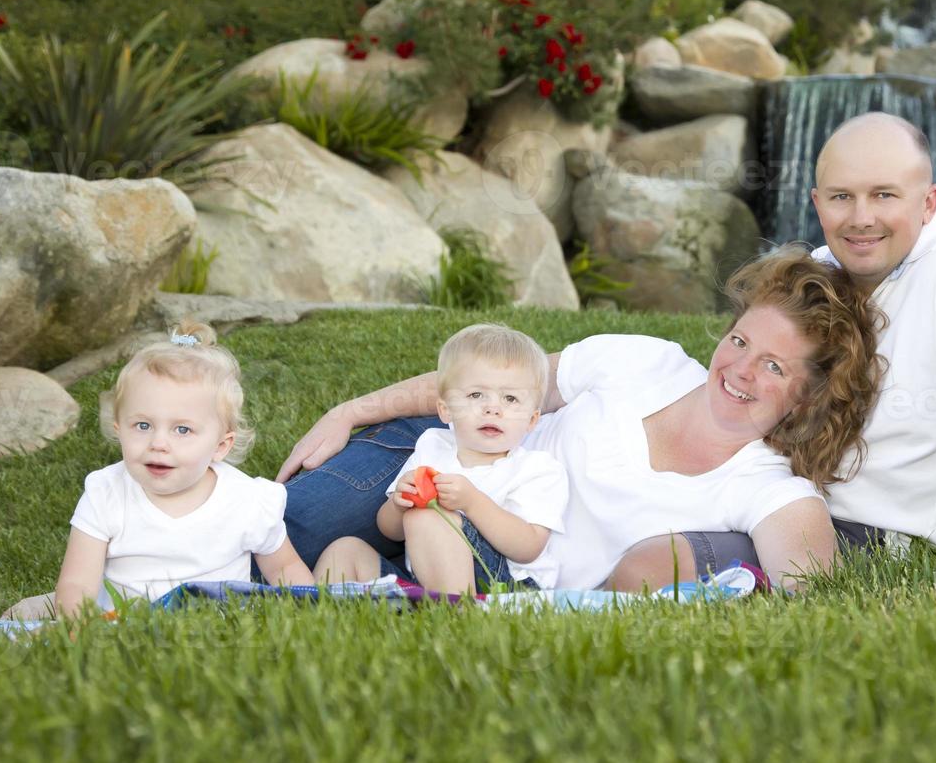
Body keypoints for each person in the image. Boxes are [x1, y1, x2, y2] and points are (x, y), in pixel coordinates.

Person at [611, 111, 936, 588]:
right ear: (817, 202)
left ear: (929, 201)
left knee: (656, 564)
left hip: (864, 540)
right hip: (753, 494)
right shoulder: (820, 271)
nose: (861, 218)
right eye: (841, 197)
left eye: (884, 195)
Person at [276, 247, 885, 591]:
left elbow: (815, 594)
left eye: (776, 367)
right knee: (278, 536)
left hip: (501, 572)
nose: (741, 370)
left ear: (808, 396)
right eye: (742, 341)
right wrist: (349, 411)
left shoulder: (766, 487)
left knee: (315, 572)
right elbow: (496, 384)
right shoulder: (647, 362)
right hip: (439, 456)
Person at [3, 322, 314, 620]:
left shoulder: (247, 500)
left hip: (220, 629)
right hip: (122, 626)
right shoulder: (107, 494)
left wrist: (307, 613)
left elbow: (284, 567)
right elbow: (77, 583)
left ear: (221, 445)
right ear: (118, 429)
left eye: (182, 429)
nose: (158, 443)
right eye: (142, 425)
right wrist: (82, 626)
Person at [313, 324, 569, 594]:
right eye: (476, 395)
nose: (492, 408)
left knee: (426, 517)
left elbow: (528, 547)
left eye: (510, 398)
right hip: (427, 580)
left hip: (507, 583)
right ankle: (315, 617)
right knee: (344, 550)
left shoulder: (536, 469)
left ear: (531, 420)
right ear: (445, 410)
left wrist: (472, 503)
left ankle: (458, 616)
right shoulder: (433, 445)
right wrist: (399, 504)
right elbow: (391, 531)